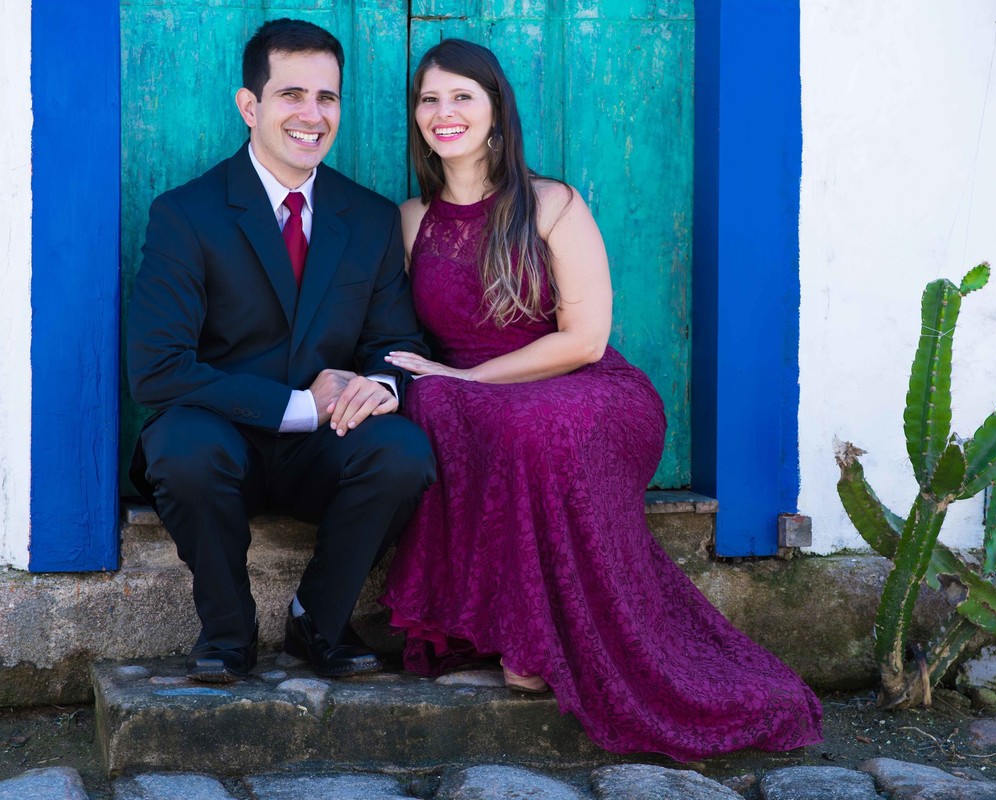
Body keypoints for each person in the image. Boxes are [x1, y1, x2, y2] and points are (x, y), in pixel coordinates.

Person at [378, 38, 823, 761]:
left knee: (524, 426)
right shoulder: (408, 221)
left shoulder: (552, 203)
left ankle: (552, 646)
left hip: (585, 390)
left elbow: (584, 339)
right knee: (435, 410)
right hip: (477, 398)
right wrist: (437, 382)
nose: (443, 112)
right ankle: (518, 635)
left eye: (462, 96)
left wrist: (462, 378)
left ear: (496, 112)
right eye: (429, 99)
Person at [127, 18, 435, 683]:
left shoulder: (371, 218)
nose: (312, 114)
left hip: (322, 448)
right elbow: (157, 370)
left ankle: (317, 620)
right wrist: (297, 403)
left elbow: (395, 341)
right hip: (221, 435)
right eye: (292, 94)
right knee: (178, 450)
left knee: (403, 453)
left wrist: (381, 384)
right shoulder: (186, 214)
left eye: (327, 98)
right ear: (250, 106)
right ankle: (227, 630)